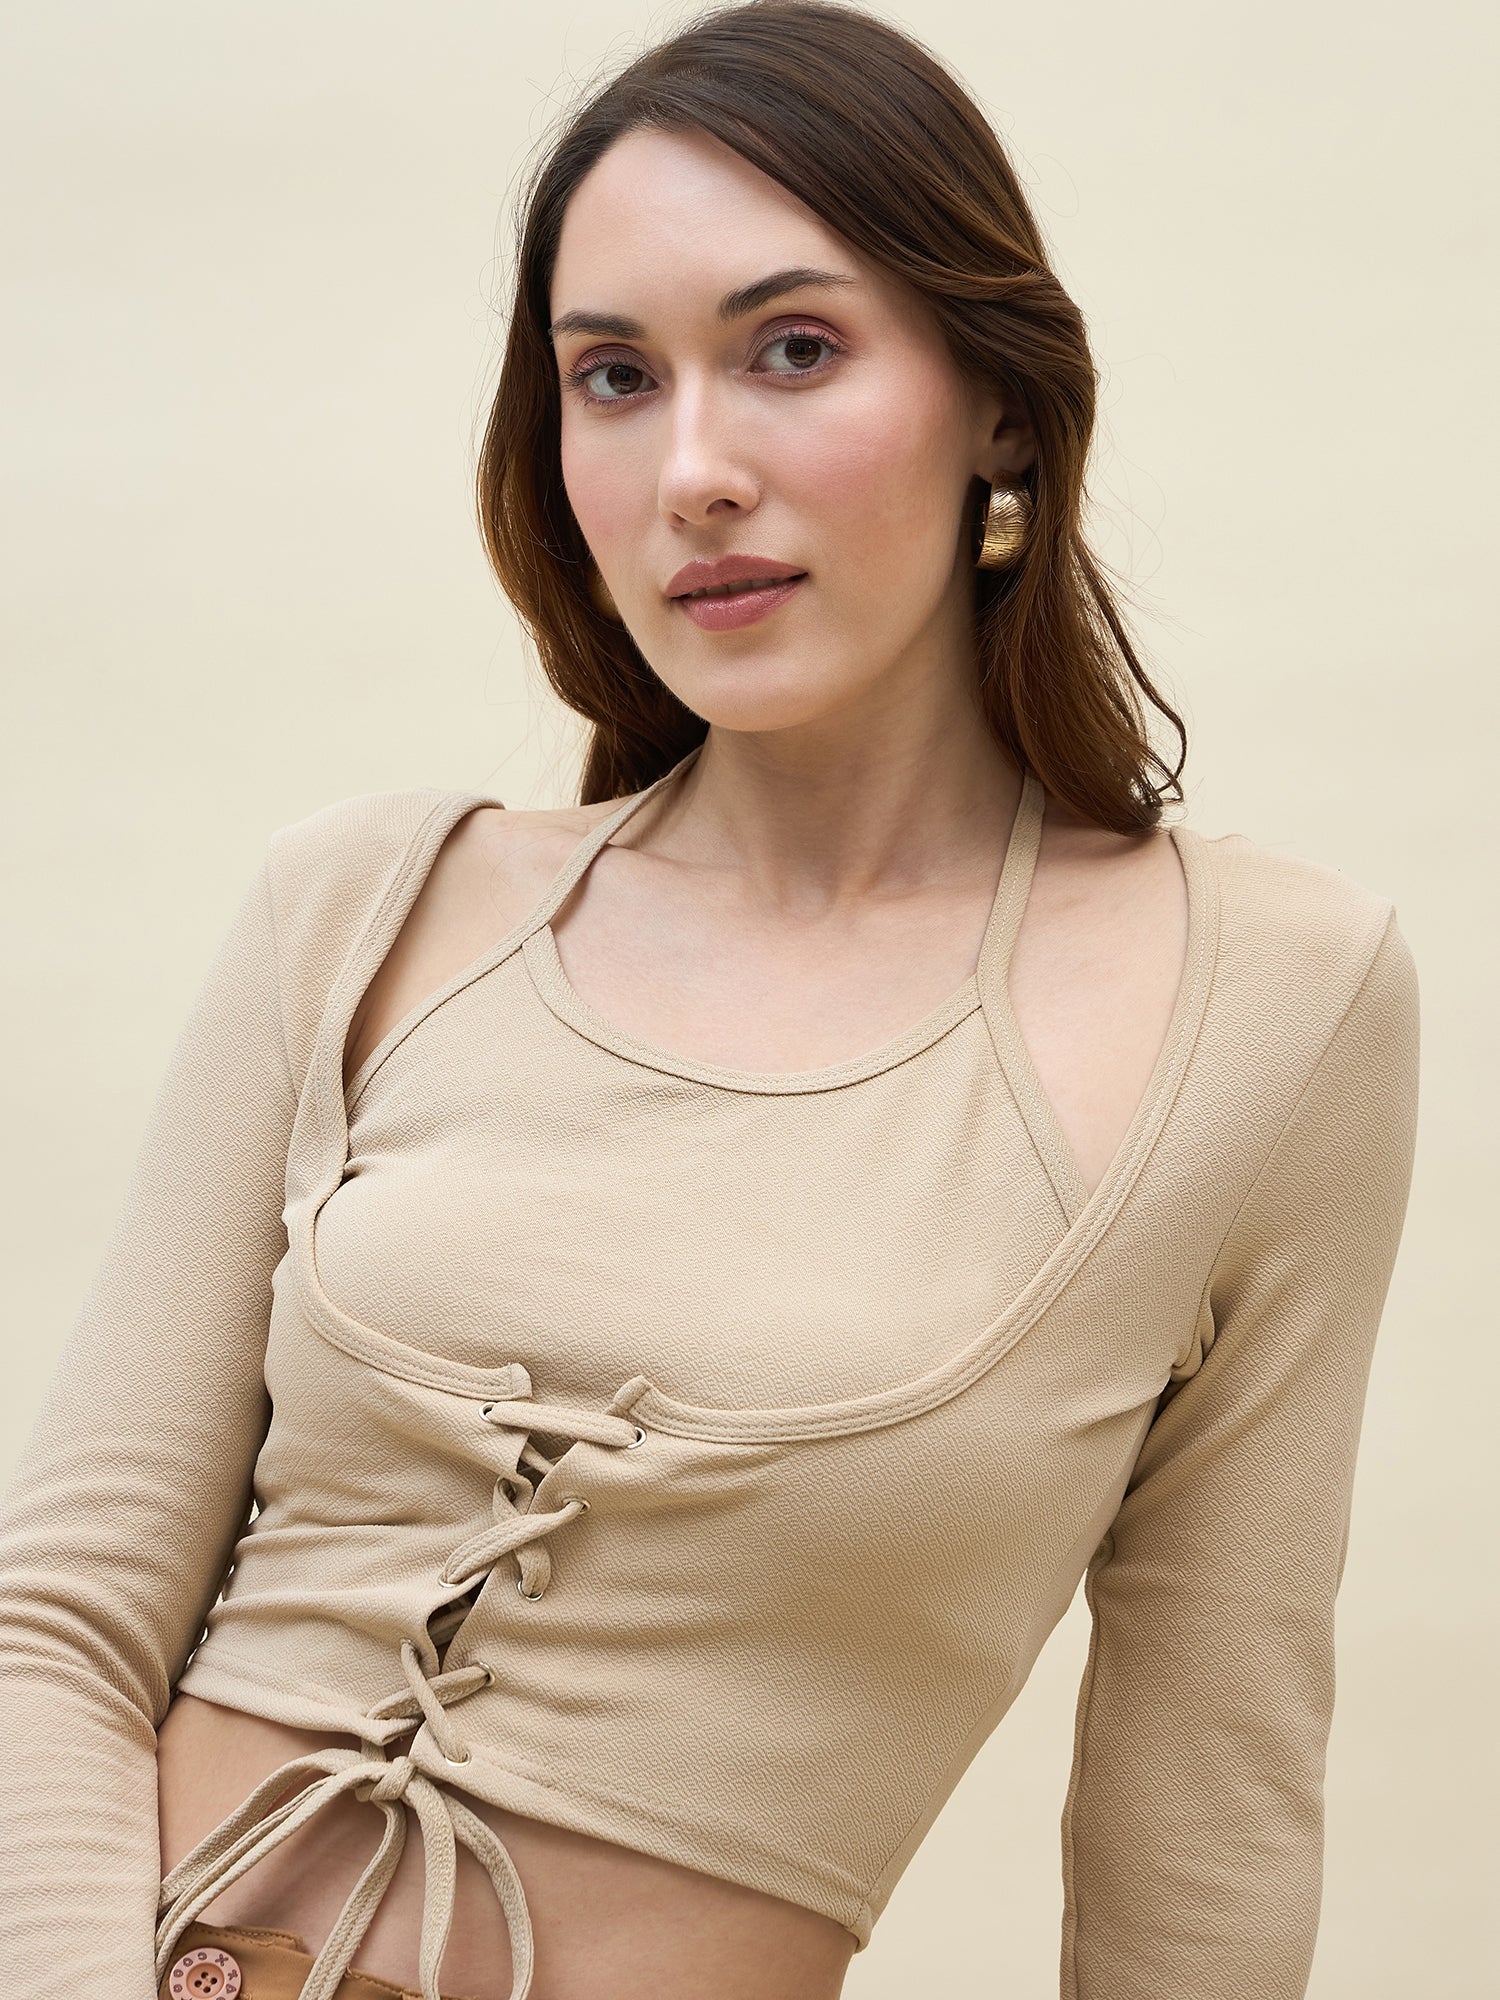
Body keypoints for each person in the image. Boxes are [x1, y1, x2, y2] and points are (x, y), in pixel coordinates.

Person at [0, 5, 1420, 1998]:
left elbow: (1208, 1819)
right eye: (612, 377)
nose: (692, 472)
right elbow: (57, 1626)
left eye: (794, 350)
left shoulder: (1272, 996)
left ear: (1002, 412)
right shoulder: (364, 906)